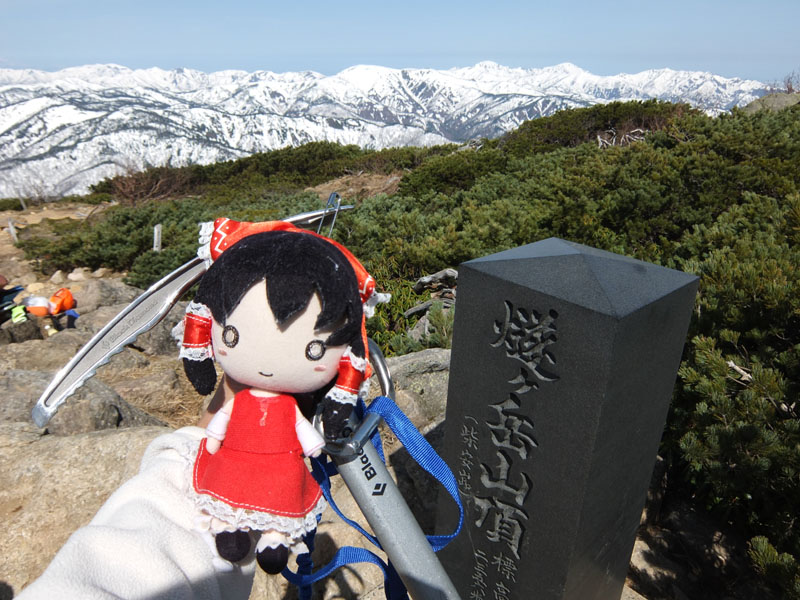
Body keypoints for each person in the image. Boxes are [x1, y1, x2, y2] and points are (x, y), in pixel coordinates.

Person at [17, 219, 388, 598]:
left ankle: (265, 534)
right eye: (231, 335)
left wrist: (205, 438)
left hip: (233, 464)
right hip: (247, 462)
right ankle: (241, 530)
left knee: (234, 494)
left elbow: (141, 547)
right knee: (246, 490)